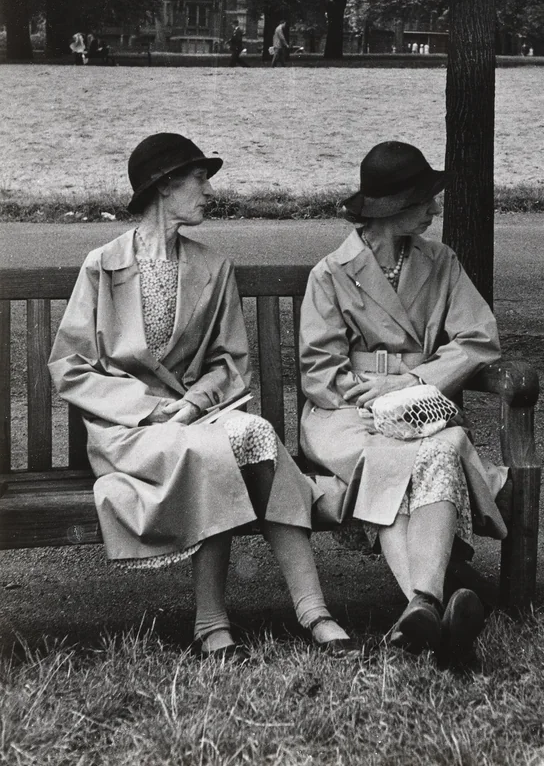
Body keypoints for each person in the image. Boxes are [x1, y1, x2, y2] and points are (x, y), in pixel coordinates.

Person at [47, 133, 354, 659]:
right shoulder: (103, 265)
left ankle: (314, 611)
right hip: (129, 431)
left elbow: (229, 363)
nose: (209, 190)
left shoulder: (214, 267)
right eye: (198, 179)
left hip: (195, 418)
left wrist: (191, 405)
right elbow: (70, 366)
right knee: (216, 452)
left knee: (255, 434)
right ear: (165, 188)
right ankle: (211, 623)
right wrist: (149, 410)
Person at [299, 141, 508, 659]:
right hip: (345, 416)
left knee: (440, 447)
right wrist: (376, 396)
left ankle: (422, 607)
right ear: (392, 209)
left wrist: (412, 382)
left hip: (418, 402)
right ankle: (432, 603)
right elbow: (320, 373)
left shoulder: (441, 263)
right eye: (424, 200)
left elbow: (479, 338)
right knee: (398, 460)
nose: (435, 209)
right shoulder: (329, 274)